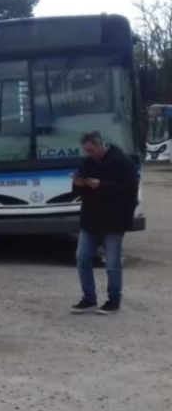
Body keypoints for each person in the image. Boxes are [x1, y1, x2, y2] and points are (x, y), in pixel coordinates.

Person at [70, 131, 139, 315]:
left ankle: (113, 301)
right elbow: (77, 192)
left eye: (90, 150)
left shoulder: (123, 163)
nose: (88, 154)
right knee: (82, 257)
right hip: (90, 219)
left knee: (112, 263)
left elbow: (129, 191)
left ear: (101, 145)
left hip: (114, 220)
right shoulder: (87, 162)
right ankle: (89, 298)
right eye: (85, 151)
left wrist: (102, 185)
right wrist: (78, 184)